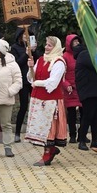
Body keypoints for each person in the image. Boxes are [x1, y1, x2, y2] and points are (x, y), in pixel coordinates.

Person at [26, 35, 68, 167]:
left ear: (55, 47)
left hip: (51, 101)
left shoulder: (59, 62)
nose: (46, 47)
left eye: (49, 45)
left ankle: (48, 154)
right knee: (41, 126)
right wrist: (30, 68)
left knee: (49, 128)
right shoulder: (40, 59)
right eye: (46, 44)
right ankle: (50, 150)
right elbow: (31, 79)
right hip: (38, 99)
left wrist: (37, 82)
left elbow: (53, 83)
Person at [74, 35, 97, 152]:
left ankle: (95, 139)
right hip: (88, 90)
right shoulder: (84, 54)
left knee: (96, 117)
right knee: (87, 116)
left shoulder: (96, 55)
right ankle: (82, 140)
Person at [12, 29, 33, 143]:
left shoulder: (33, 46)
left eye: (29, 35)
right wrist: (26, 53)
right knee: (23, 106)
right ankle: (17, 132)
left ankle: (33, 133)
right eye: (24, 35)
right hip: (23, 81)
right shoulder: (15, 47)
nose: (27, 37)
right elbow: (17, 63)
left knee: (35, 107)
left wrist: (33, 51)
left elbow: (39, 59)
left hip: (34, 80)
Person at [62, 35, 81, 145]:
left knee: (84, 112)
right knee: (72, 112)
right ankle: (72, 135)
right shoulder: (65, 56)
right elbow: (62, 74)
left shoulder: (81, 55)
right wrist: (66, 84)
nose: (77, 43)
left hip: (80, 87)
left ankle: (81, 133)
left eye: (78, 41)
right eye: (74, 42)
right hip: (70, 88)